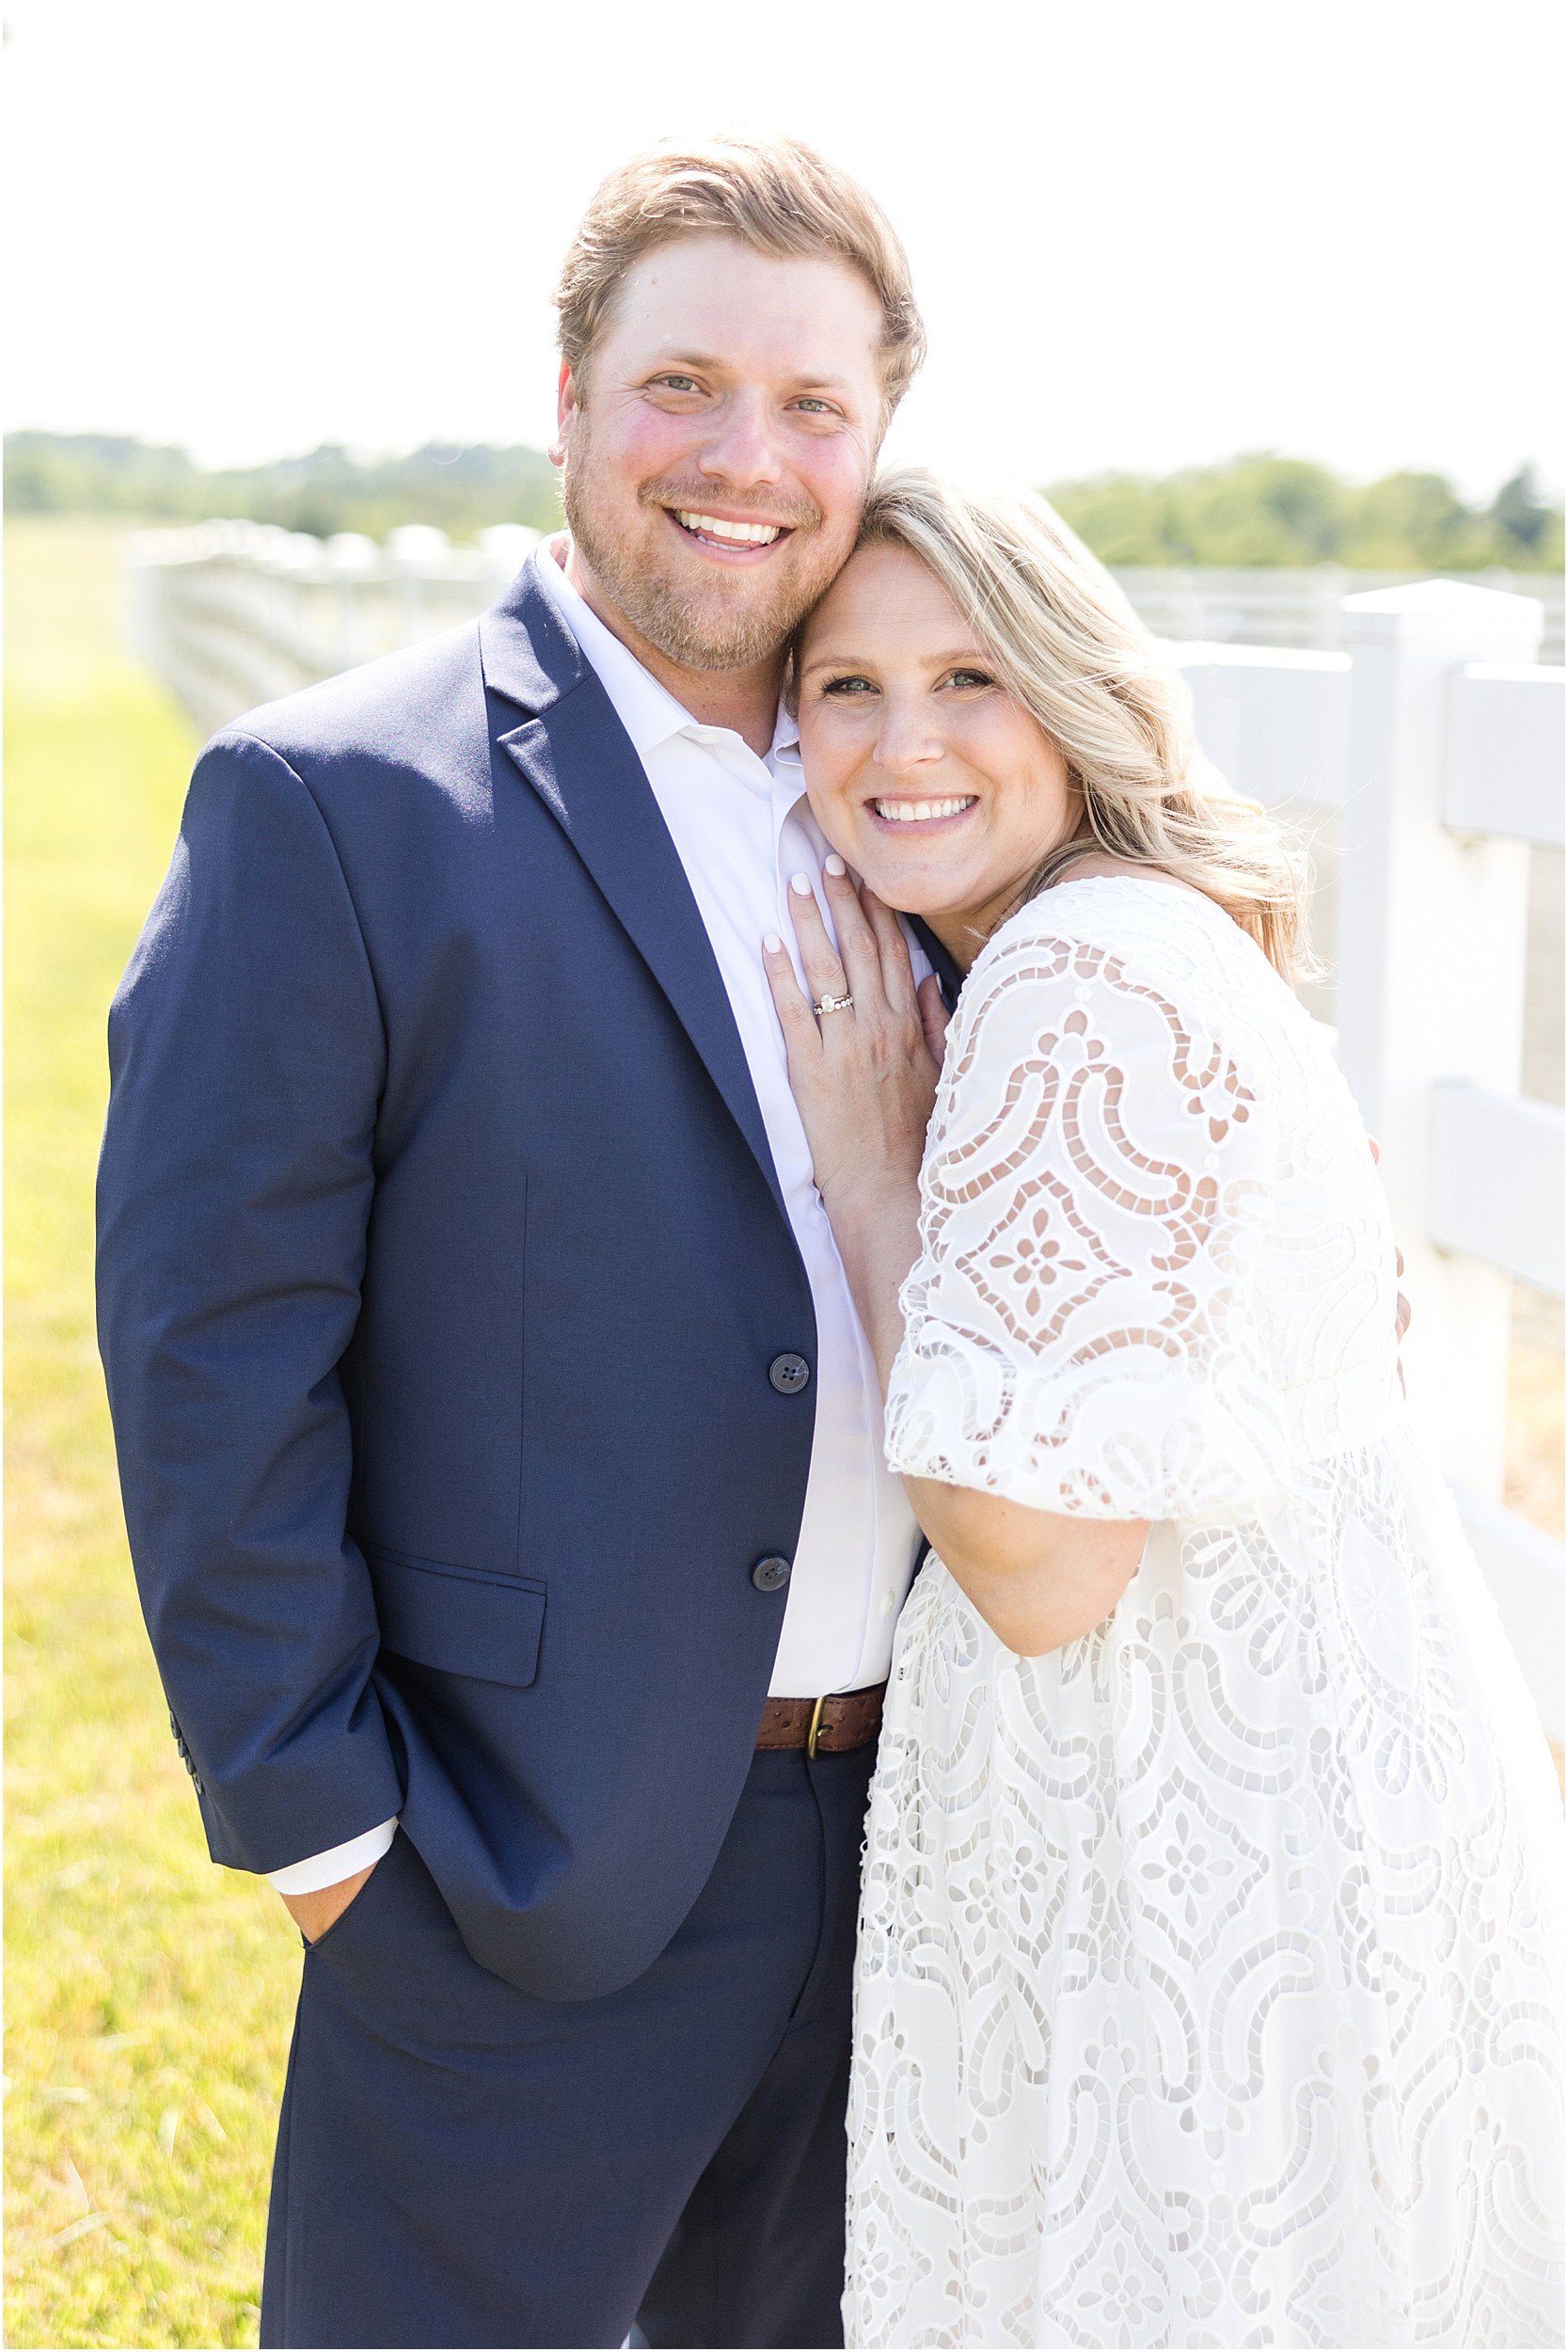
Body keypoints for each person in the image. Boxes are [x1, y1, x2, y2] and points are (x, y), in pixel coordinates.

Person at [96, 135, 946, 2350]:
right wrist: (325, 1836)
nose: (746, 459)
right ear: (568, 402)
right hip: (509, 1859)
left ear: (877, 436)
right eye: (683, 386)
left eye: (814, 408)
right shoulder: (337, 805)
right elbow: (216, 1345)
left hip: (930, 1850)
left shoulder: (935, 802)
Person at [764, 468, 1566, 2348]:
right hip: (1306, 1797)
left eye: (970, 676)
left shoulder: (1067, 977)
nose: (903, 745)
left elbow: (1038, 1564)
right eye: (846, 689)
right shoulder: (1126, 935)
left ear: (1073, 690)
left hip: (1197, 1845)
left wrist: (877, 1184)